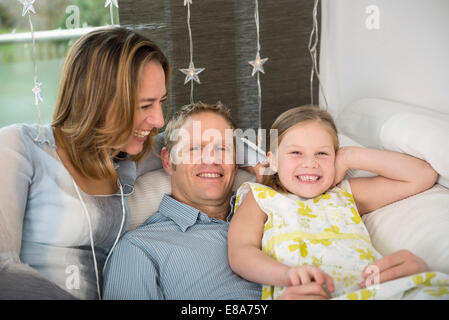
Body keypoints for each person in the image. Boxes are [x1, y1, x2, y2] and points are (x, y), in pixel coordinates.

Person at [0, 27, 169, 300]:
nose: (159, 120)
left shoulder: (129, 158)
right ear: (98, 100)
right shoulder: (19, 148)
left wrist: (259, 164)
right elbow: (2, 269)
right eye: (144, 105)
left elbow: (198, 140)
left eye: (161, 102)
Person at [103, 102, 331, 300]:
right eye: (195, 148)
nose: (211, 159)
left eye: (222, 148)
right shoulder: (140, 247)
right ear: (168, 160)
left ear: (235, 162)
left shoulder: (276, 209)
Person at [228, 105, 449, 300]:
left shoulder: (345, 194)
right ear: (273, 160)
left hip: (375, 290)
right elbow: (241, 252)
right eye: (296, 152)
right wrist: (285, 275)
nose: (310, 163)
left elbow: (422, 175)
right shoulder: (260, 197)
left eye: (322, 153)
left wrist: (350, 156)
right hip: (306, 293)